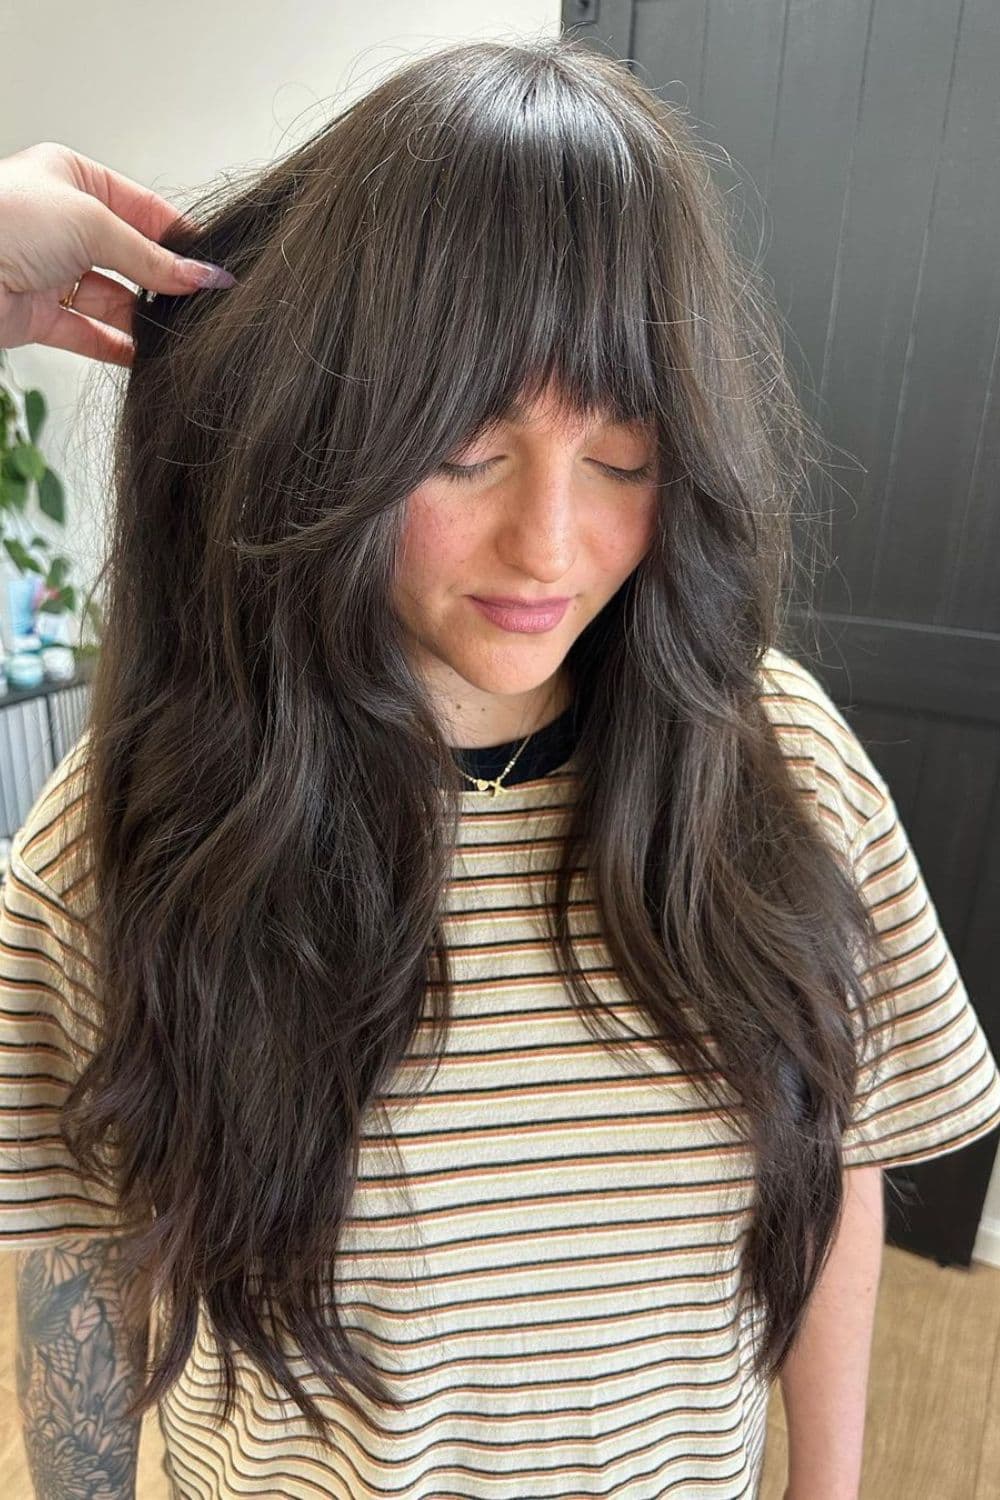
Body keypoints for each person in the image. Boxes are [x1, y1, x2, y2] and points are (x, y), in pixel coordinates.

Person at [0, 37, 998, 1500]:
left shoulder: (781, 770)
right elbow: (74, 1257)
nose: (550, 549)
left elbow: (835, 1158)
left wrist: (826, 1489)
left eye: (622, 448)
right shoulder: (125, 839)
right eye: (467, 447)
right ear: (336, 433)